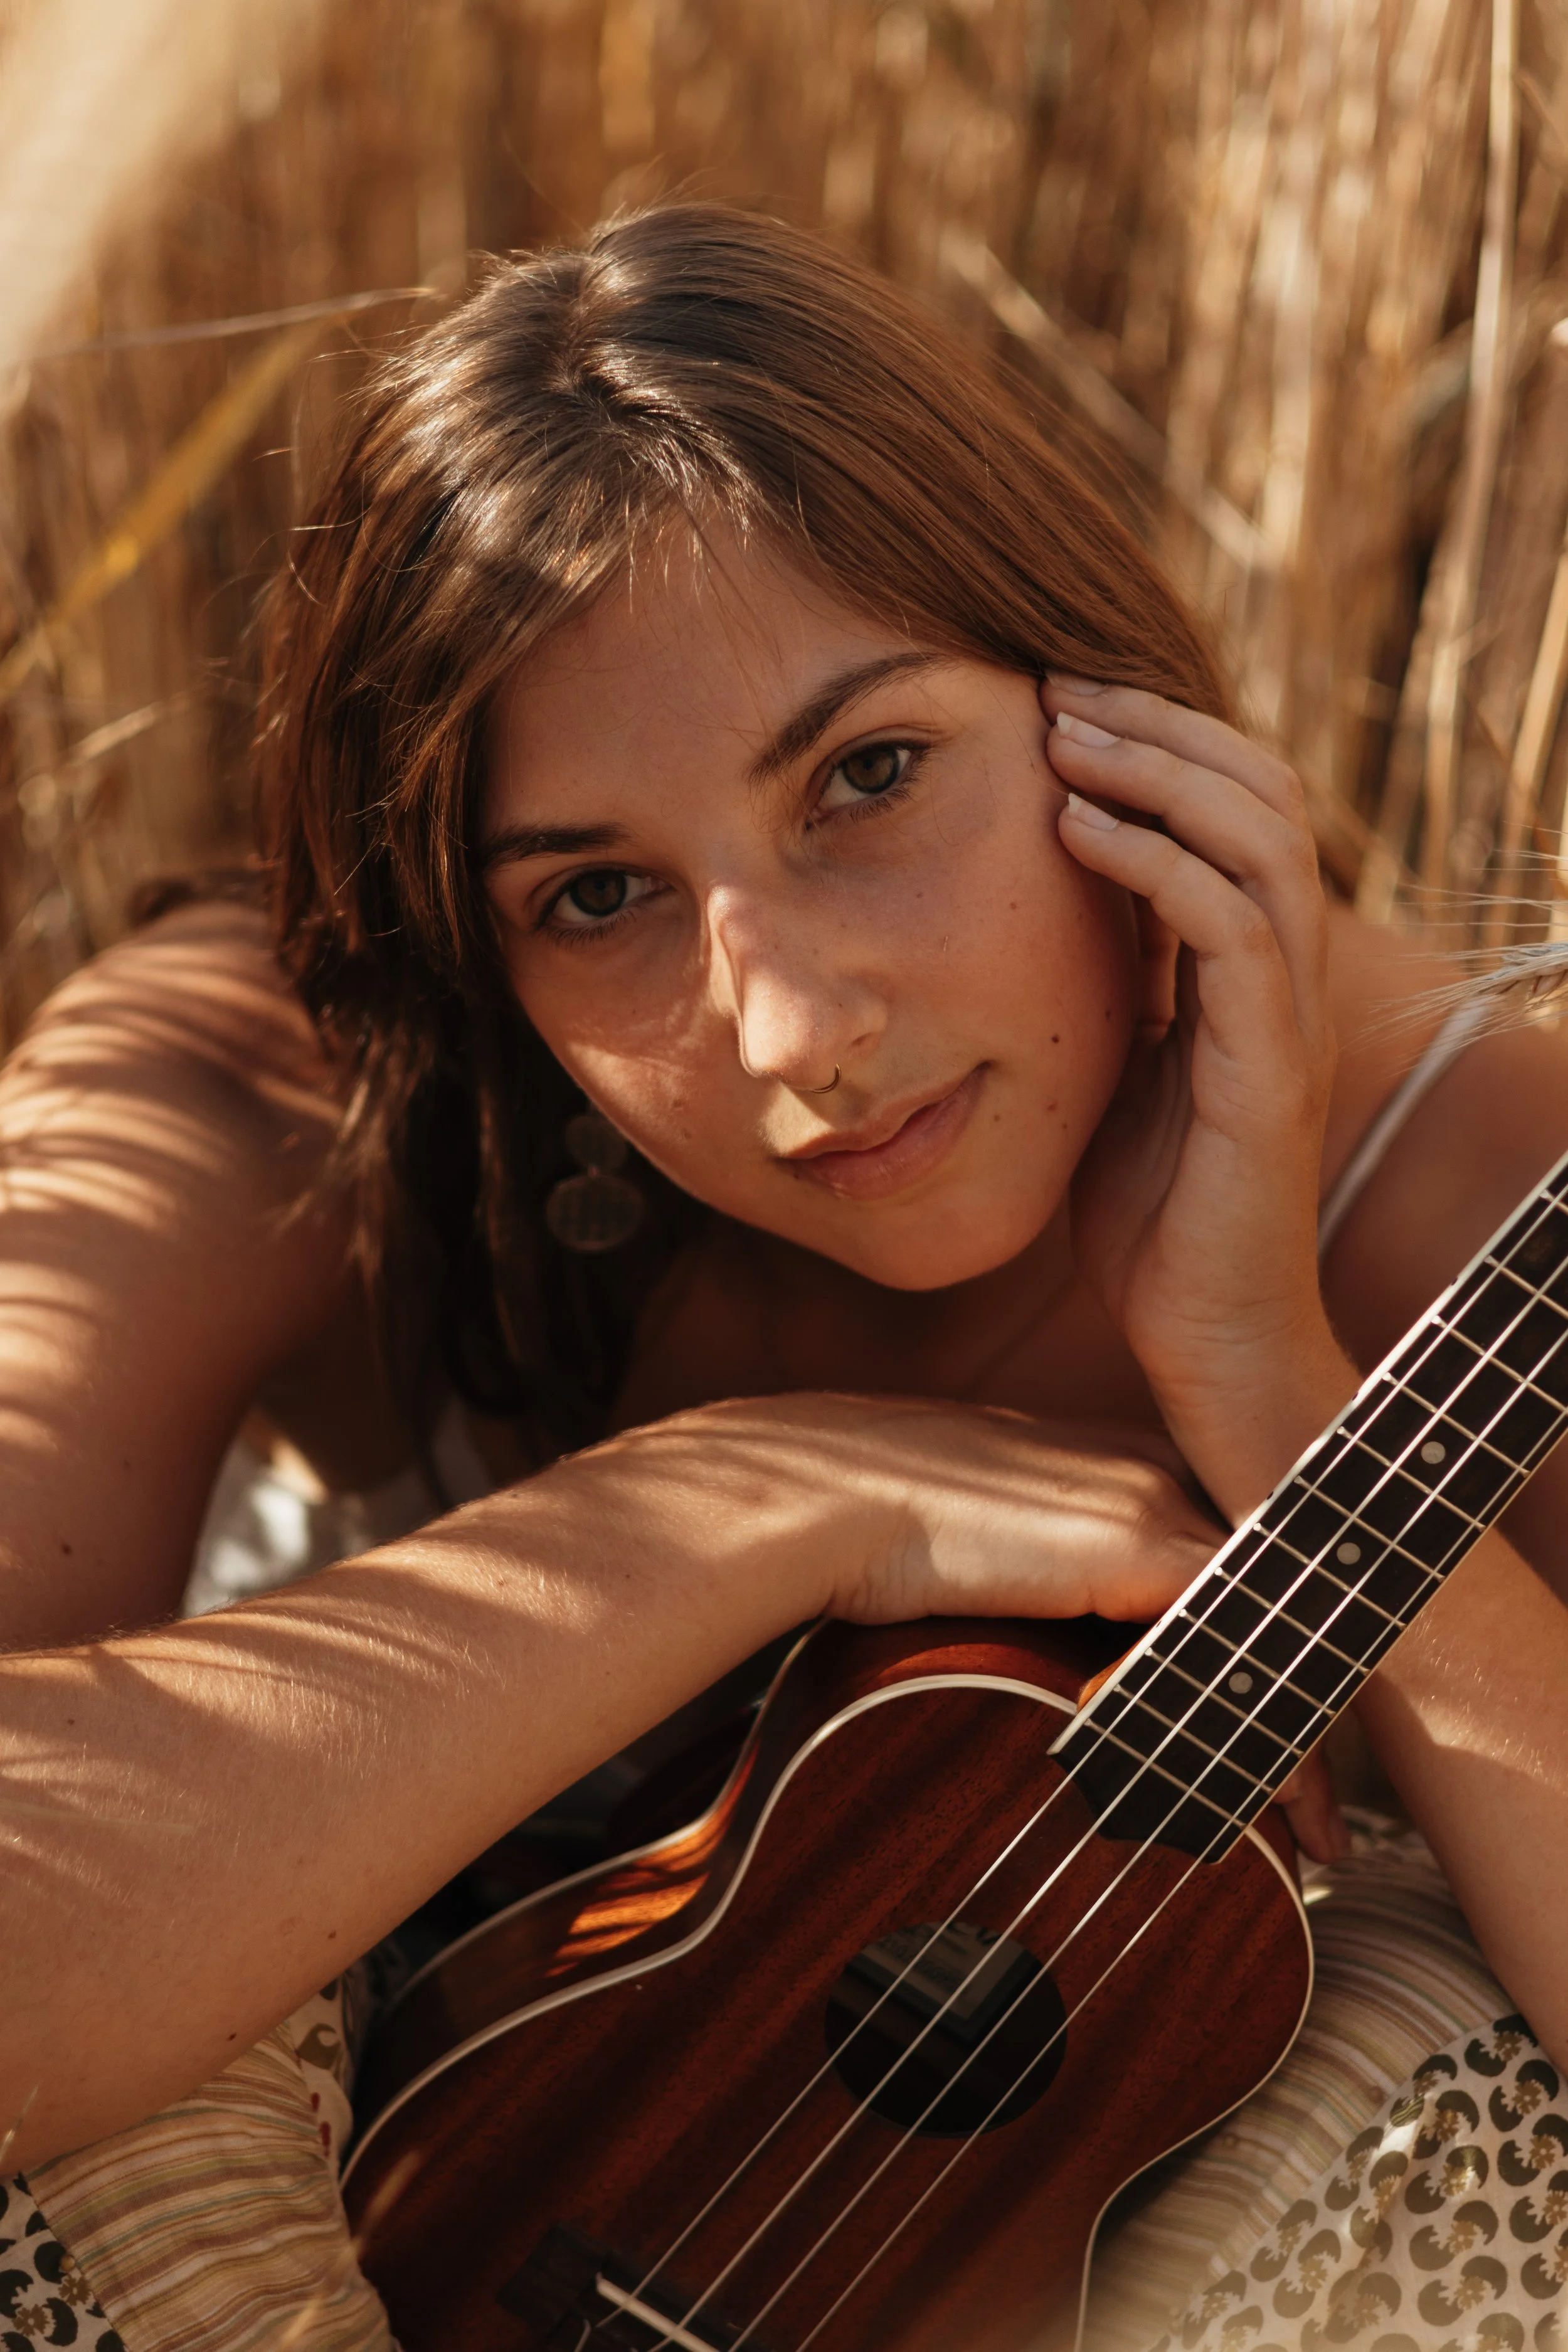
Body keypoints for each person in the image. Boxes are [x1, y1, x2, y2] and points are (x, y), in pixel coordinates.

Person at [3, 203, 1567, 2351]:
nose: (784, 1029)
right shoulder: (281, 1088)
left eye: (868, 774)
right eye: (601, 893)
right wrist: (765, 1500)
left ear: (1099, 701)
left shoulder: (1492, 1209)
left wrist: (1289, 1402)